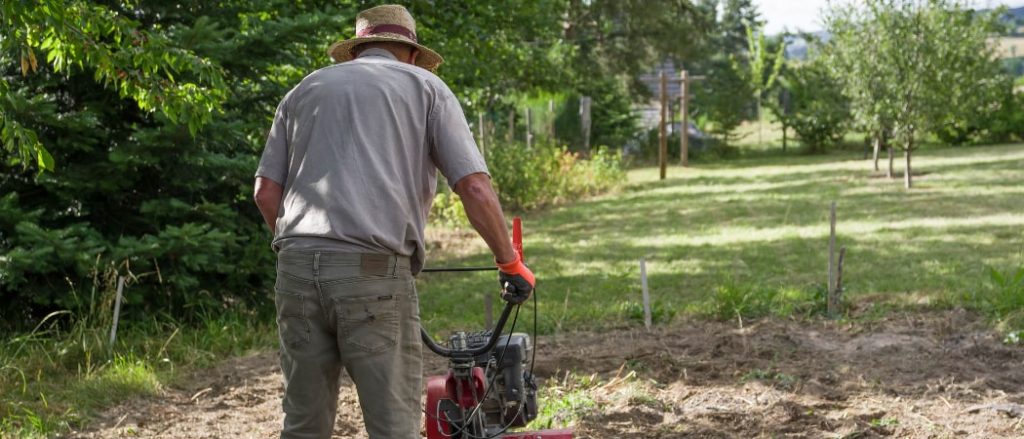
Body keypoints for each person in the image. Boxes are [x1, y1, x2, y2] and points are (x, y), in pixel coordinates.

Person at [252, 4, 535, 439]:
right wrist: (509, 262)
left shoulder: (304, 90)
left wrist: (308, 254)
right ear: (410, 52)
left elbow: (265, 193)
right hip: (373, 274)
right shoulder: (425, 87)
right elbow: (474, 188)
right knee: (394, 427)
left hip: (295, 268)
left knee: (304, 425)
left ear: (360, 47)